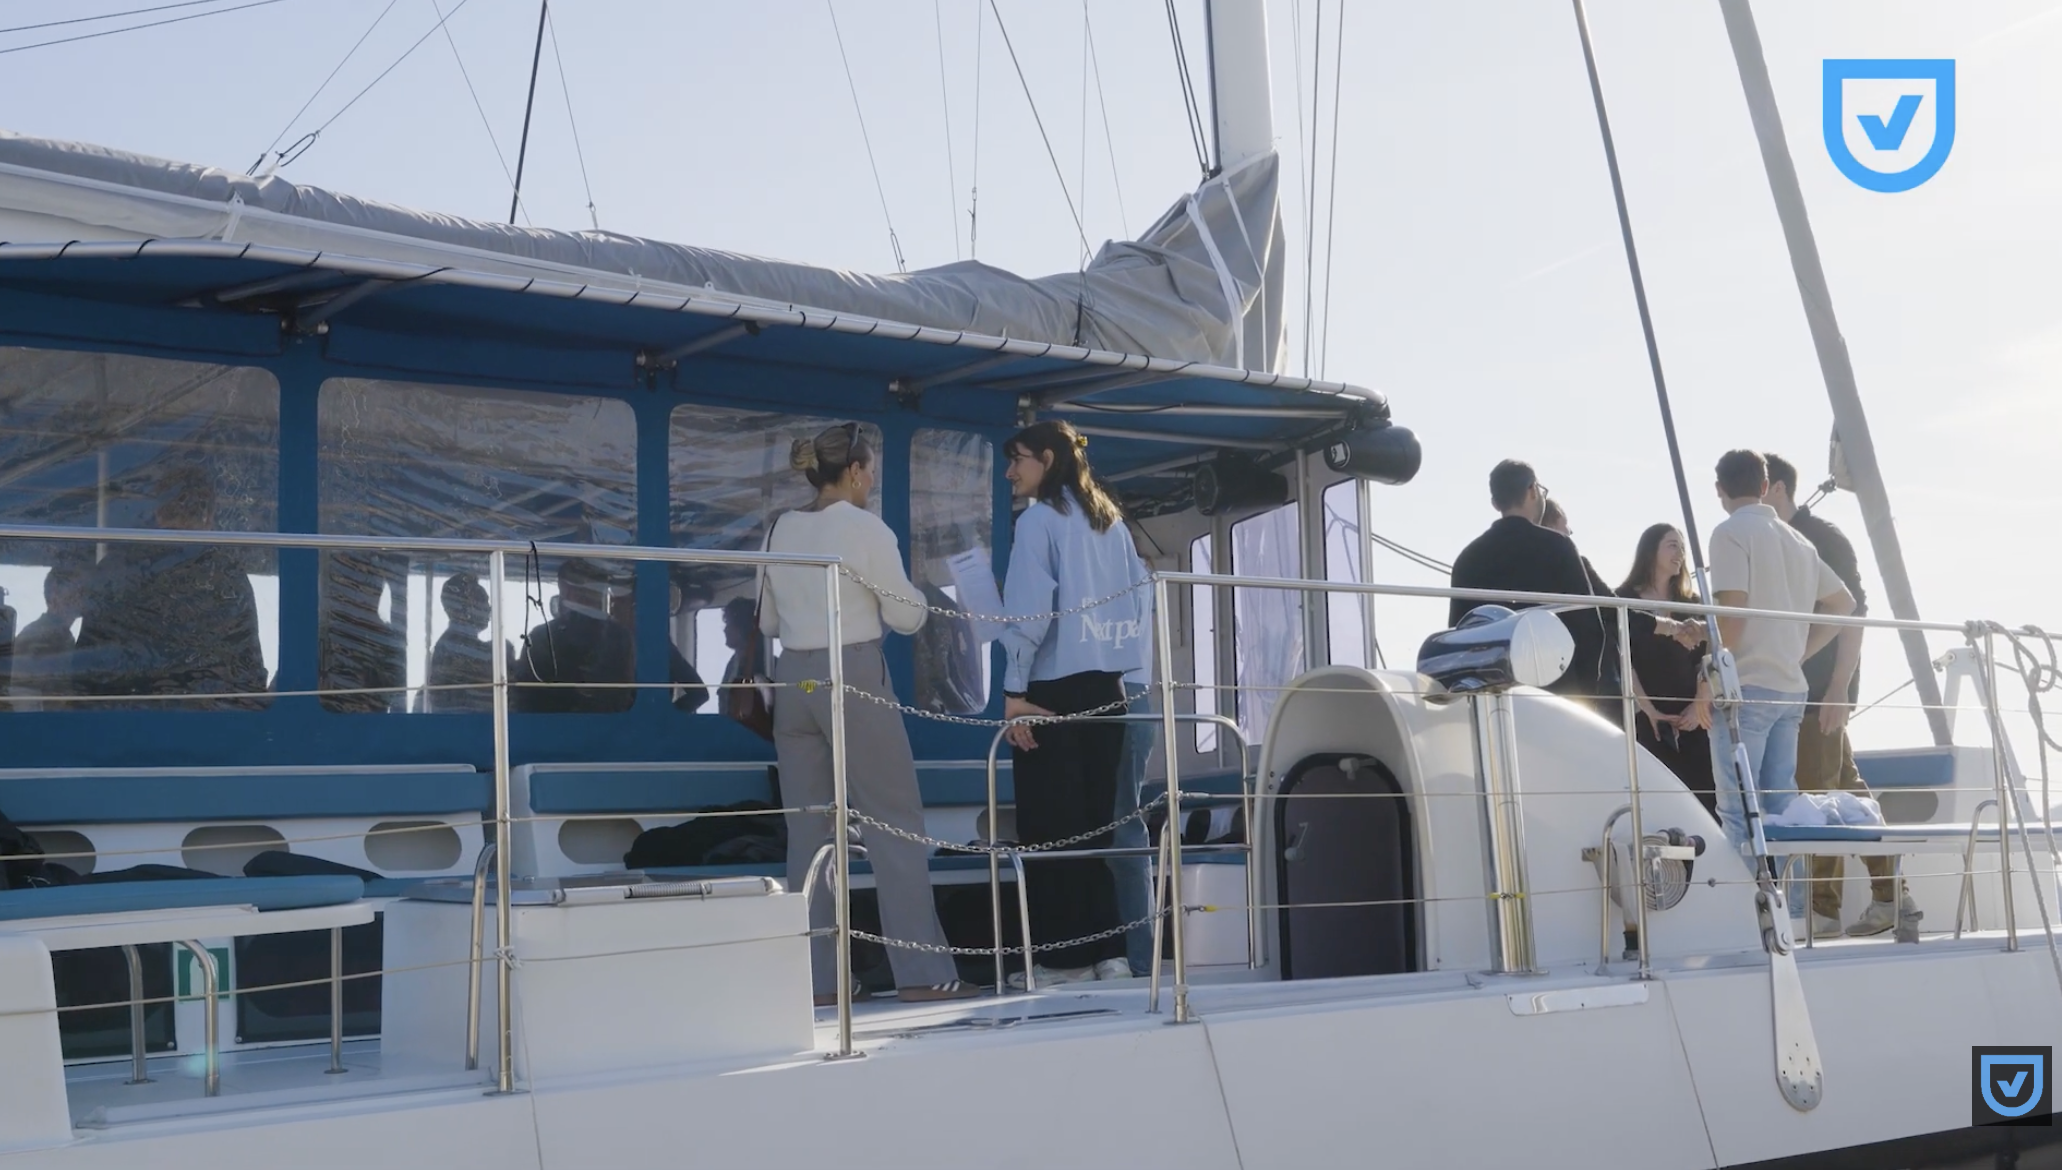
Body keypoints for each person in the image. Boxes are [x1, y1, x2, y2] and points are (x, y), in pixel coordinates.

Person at [759, 422, 976, 1004]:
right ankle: (924, 975)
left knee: (809, 832)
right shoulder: (865, 527)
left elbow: (768, 624)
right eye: (870, 470)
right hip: (851, 671)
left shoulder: (779, 528)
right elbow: (907, 619)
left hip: (794, 676)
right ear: (854, 472)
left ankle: (819, 982)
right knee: (893, 824)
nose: (871, 479)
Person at [999, 420, 1151, 986]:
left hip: (1052, 690)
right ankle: (1108, 953)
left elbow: (1029, 612)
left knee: (1049, 826)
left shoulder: (1038, 521)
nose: (1011, 472)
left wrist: (1014, 693)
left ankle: (1063, 961)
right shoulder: (1110, 523)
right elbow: (1137, 606)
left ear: (1046, 458)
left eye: (1018, 460)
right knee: (1095, 828)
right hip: (1107, 688)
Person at [1766, 453, 1906, 937]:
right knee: (1846, 788)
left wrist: (1839, 688)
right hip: (1798, 688)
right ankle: (1893, 898)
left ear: (1777, 489)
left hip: (1820, 689)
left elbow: (1854, 610)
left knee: (1819, 791)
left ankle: (1824, 911)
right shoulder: (1780, 540)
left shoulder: (1820, 537)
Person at [1705, 450, 1857, 853]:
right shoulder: (1800, 542)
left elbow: (1733, 616)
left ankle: (1744, 910)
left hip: (1748, 689)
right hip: (1791, 691)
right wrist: (1799, 652)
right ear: (1763, 486)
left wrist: (1708, 680)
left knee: (1738, 811)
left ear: (1719, 489)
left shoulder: (1729, 533)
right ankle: (1789, 910)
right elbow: (1845, 604)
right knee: (1781, 808)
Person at [73, 465, 269, 709]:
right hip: (213, 727)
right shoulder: (228, 575)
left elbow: (85, 668)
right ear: (209, 514)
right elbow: (248, 673)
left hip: (118, 724)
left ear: (158, 510)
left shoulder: (115, 567)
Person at [1448, 460, 1612, 710]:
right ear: (1533, 490)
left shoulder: (1467, 559)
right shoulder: (1559, 547)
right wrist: (1586, 694)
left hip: (1493, 701)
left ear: (1495, 504)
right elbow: (1589, 626)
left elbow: (1459, 634)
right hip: (1557, 694)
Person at [1615, 524, 1717, 816]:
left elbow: (1708, 657)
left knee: (1705, 806)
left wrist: (1699, 706)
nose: (1681, 553)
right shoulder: (1623, 599)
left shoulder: (1693, 605)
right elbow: (1623, 661)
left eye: (1682, 547)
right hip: (1649, 722)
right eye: (1673, 545)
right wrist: (1649, 711)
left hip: (1695, 720)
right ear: (1651, 550)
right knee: (1659, 808)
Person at [514, 560, 708, 713]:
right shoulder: (542, 638)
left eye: (621, 597)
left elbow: (698, 692)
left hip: (608, 740)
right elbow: (524, 699)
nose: (615, 603)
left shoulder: (622, 637)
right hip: (580, 740)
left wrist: (659, 722)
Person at [1540, 499, 1624, 705]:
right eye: (1565, 523)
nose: (1569, 531)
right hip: (1591, 679)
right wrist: (1665, 626)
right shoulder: (1577, 564)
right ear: (1552, 525)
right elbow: (1613, 606)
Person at [425, 571, 510, 713]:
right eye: (482, 601)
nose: (489, 608)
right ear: (464, 607)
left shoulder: (451, 643)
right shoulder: (453, 646)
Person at [8, 561, 86, 710]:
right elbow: (26, 698)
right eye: (77, 588)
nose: (83, 595)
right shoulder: (40, 638)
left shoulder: (62, 636)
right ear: (55, 594)